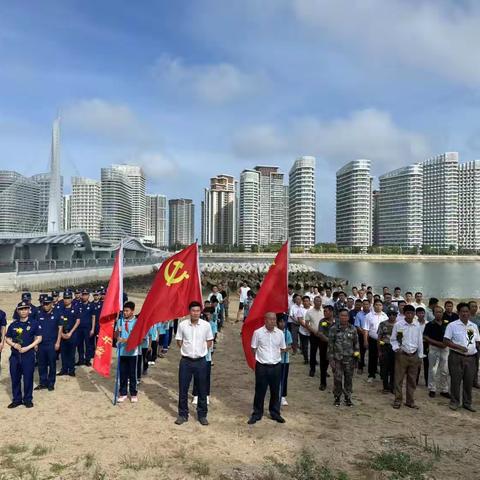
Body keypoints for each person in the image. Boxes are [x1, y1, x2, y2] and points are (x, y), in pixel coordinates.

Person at [175, 301, 213, 426]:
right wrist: (186, 350)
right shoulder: (182, 325)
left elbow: (209, 341)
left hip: (201, 361)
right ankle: (182, 414)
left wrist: (201, 352)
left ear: (200, 311)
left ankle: (202, 415)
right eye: (193, 311)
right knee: (183, 389)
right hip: (186, 361)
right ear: (189, 311)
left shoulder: (206, 325)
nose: (195, 313)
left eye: (197, 311)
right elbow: (179, 340)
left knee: (202, 389)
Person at [248, 312, 287, 424]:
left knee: (275, 390)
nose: (272, 321)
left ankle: (275, 412)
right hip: (262, 366)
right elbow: (253, 348)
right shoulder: (258, 333)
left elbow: (282, 348)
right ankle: (257, 413)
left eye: (274, 319)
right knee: (260, 390)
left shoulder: (280, 333)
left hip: (276, 366)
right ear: (265, 320)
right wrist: (262, 358)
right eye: (270, 319)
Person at [443, 303, 480, 412]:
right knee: (456, 380)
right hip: (456, 357)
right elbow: (446, 341)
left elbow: (477, 341)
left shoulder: (473, 326)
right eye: (462, 311)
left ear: (469, 313)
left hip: (471, 358)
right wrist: (458, 347)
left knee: (468, 381)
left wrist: (475, 349)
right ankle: (454, 402)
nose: (465, 313)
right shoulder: (452, 325)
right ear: (458, 313)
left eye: (467, 311)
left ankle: (467, 403)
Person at [5, 301, 42, 408]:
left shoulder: (34, 323)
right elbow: (7, 338)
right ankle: (17, 400)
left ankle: (27, 399)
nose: (23, 311)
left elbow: (39, 338)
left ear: (29, 310)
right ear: (17, 311)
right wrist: (13, 344)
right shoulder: (13, 325)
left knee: (28, 378)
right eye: (21, 309)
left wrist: (28, 347)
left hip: (28, 355)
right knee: (15, 378)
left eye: (25, 309)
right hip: (15, 356)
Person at [390, 305, 424, 409]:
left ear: (414, 314)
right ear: (404, 314)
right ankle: (398, 400)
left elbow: (420, 341)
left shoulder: (417, 325)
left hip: (414, 355)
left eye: (411, 313)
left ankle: (410, 401)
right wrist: (397, 348)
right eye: (407, 313)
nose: (409, 315)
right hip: (402, 355)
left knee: (412, 380)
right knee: (398, 379)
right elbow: (393, 339)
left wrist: (420, 355)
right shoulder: (398, 325)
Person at [328, 309, 360, 406]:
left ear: (348, 317)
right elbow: (330, 345)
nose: (344, 318)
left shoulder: (353, 329)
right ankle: (337, 397)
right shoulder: (334, 329)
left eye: (345, 316)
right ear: (339, 317)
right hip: (337, 359)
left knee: (348, 379)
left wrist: (356, 358)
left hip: (349, 359)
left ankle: (347, 397)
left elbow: (356, 344)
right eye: (342, 315)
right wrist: (331, 359)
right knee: (337, 379)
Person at [35, 296, 62, 391]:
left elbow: (60, 329)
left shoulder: (57, 314)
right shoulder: (39, 314)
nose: (45, 306)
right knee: (41, 364)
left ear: (52, 304)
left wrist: (58, 342)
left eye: (47, 304)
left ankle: (51, 383)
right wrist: (36, 343)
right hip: (41, 344)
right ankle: (43, 382)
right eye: (44, 304)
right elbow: (36, 330)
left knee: (52, 364)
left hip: (52, 343)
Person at [423, 305, 450, 399]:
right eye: (437, 312)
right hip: (434, 348)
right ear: (433, 313)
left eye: (440, 312)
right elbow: (426, 337)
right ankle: (432, 389)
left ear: (443, 313)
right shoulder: (429, 325)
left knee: (444, 370)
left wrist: (446, 344)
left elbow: (451, 336)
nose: (439, 314)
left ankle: (444, 389)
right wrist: (438, 343)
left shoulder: (447, 324)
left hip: (445, 349)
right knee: (433, 369)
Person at [115, 301, 139, 403]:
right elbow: (116, 335)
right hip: (121, 351)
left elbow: (137, 337)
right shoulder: (120, 321)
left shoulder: (136, 322)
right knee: (123, 373)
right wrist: (117, 332)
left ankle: (133, 393)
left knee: (132, 374)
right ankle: (123, 392)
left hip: (132, 352)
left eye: (127, 311)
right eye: (124, 311)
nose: (125, 313)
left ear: (132, 311)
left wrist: (125, 340)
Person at [193, 308, 215, 406]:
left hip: (206, 358)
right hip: (196, 357)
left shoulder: (210, 327)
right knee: (196, 376)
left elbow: (210, 343)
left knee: (205, 377)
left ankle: (206, 395)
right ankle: (196, 395)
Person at [363, 299, 388, 382]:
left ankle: (383, 374)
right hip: (373, 339)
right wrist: (365, 341)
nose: (378, 306)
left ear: (382, 306)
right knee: (372, 357)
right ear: (373, 306)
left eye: (380, 305)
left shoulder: (385, 316)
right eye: (376, 304)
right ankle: (371, 374)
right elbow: (366, 329)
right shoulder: (369, 316)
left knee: (383, 357)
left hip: (383, 340)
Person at [58, 291, 80, 377]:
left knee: (71, 353)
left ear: (71, 299)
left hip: (72, 334)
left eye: (68, 298)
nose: (66, 300)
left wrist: (71, 332)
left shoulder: (75, 308)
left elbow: (78, 321)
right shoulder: (60, 309)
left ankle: (71, 370)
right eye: (65, 298)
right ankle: (64, 369)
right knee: (63, 353)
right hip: (62, 334)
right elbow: (58, 323)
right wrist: (62, 334)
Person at [377, 306, 397, 394]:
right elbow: (379, 338)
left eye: (394, 314)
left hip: (395, 348)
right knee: (384, 368)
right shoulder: (382, 324)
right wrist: (379, 351)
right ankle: (385, 387)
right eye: (390, 314)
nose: (392, 316)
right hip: (385, 347)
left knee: (394, 369)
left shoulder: (399, 324)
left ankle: (392, 386)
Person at [76, 289, 96, 367]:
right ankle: (81, 360)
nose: (84, 296)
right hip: (79, 328)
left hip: (87, 328)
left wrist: (93, 329)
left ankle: (87, 360)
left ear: (88, 296)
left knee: (88, 345)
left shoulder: (91, 305)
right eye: (83, 294)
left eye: (86, 295)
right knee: (79, 344)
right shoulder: (78, 305)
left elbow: (93, 317)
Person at [317, 305, 335, 390]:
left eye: (326, 311)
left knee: (336, 366)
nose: (324, 313)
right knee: (323, 365)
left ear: (331, 312)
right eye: (324, 311)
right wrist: (329, 341)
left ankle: (337, 384)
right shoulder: (322, 321)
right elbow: (320, 334)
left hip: (335, 347)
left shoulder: (337, 322)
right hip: (324, 345)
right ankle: (323, 383)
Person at [305, 296, 323, 377]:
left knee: (323, 354)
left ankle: (324, 370)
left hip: (323, 335)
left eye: (320, 301)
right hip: (314, 335)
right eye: (317, 301)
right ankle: (312, 369)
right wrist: (314, 331)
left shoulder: (324, 311)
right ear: (314, 302)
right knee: (313, 353)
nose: (318, 303)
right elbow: (306, 324)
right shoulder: (309, 312)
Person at [277, 316, 292, 406]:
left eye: (284, 322)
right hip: (276, 360)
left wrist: (285, 349)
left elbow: (290, 345)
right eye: (280, 322)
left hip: (285, 360)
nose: (282, 324)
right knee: (276, 378)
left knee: (284, 378)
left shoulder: (287, 333)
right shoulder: (275, 332)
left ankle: (283, 396)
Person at [354, 299, 371, 374]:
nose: (365, 305)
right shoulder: (359, 314)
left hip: (372, 336)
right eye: (364, 304)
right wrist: (365, 334)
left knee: (373, 353)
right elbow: (357, 326)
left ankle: (372, 368)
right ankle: (360, 367)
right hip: (361, 335)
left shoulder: (372, 314)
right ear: (362, 305)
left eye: (367, 304)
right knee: (361, 352)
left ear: (369, 305)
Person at [415, 307, 429, 386]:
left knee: (427, 363)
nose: (421, 314)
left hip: (426, 344)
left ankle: (427, 381)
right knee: (417, 363)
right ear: (416, 314)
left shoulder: (428, 323)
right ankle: (415, 381)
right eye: (419, 313)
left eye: (422, 313)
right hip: (416, 344)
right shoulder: (414, 323)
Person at [297, 296, 311, 365]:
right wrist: (308, 327)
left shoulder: (312, 309)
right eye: (304, 301)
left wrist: (312, 329)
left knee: (312, 347)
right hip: (303, 331)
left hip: (312, 332)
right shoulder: (300, 310)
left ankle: (313, 359)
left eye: (307, 301)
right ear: (303, 302)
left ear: (309, 301)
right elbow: (300, 320)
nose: (306, 302)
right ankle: (306, 359)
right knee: (304, 346)